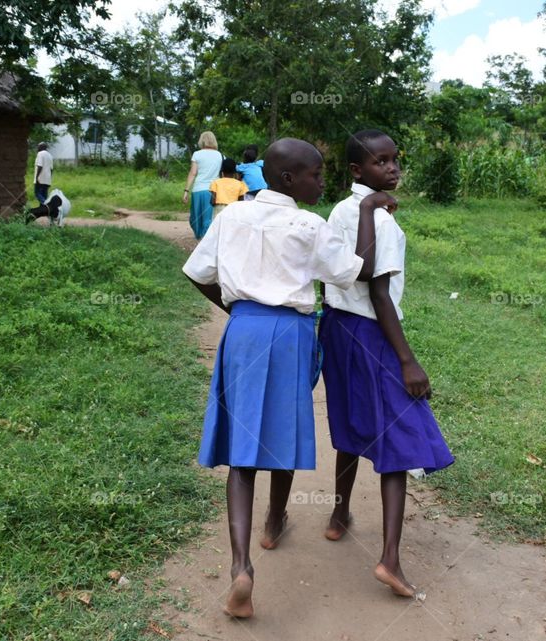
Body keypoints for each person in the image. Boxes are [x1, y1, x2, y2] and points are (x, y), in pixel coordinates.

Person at [182, 138, 394, 619]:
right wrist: (368, 209)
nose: (321, 182)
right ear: (287, 179)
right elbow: (358, 270)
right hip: (291, 333)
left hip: (244, 330)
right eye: (315, 175)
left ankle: (241, 566)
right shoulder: (308, 225)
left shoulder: (232, 216)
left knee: (242, 453)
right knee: (280, 434)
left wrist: (236, 309)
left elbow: (196, 271)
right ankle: (274, 522)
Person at [319, 129, 454, 599]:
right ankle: (389, 560)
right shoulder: (382, 222)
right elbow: (378, 293)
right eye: (381, 162)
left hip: (336, 328)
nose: (393, 168)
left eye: (395, 160)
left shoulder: (340, 210)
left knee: (350, 422)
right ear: (358, 170)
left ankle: (339, 515)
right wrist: (408, 361)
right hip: (372, 334)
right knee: (398, 436)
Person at [183, 131, 222, 239]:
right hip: (214, 191)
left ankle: (200, 238)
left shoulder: (197, 154)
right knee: (209, 218)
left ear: (202, 140)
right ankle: (207, 240)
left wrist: (186, 191)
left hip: (198, 190)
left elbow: (193, 173)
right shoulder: (220, 155)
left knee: (195, 218)